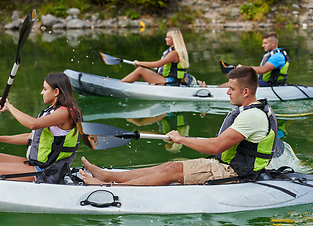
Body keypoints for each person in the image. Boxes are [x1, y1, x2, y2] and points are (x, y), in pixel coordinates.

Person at [79, 66, 278, 186]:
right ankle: (108, 175)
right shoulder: (254, 110)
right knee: (168, 166)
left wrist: (181, 139)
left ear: (245, 91)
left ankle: (111, 186)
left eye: (231, 89)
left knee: (171, 171)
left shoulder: (251, 116)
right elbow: (220, 144)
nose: (227, 93)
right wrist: (182, 139)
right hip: (228, 165)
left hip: (235, 173)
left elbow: (216, 147)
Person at [0, 72, 82, 184]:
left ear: (56, 91)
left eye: (45, 89)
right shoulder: (53, 110)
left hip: (46, 172)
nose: (42, 93)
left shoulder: (65, 112)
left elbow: (33, 124)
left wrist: (9, 107)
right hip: (38, 165)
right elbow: (32, 138)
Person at [198, 32, 290, 88]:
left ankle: (211, 91)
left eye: (265, 43)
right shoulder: (273, 55)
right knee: (239, 79)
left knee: (239, 81)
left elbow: (263, 70)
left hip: (270, 84)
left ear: (273, 43)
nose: (263, 45)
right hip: (266, 82)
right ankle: (214, 89)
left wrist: (244, 68)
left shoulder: (278, 57)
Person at [120, 28, 189, 86]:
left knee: (140, 70)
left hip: (170, 82)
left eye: (168, 37)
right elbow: (159, 66)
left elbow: (157, 64)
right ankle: (121, 83)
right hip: (167, 80)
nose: (165, 39)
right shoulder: (174, 51)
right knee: (141, 69)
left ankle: (120, 85)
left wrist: (139, 63)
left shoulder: (174, 53)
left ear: (174, 39)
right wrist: (143, 64)